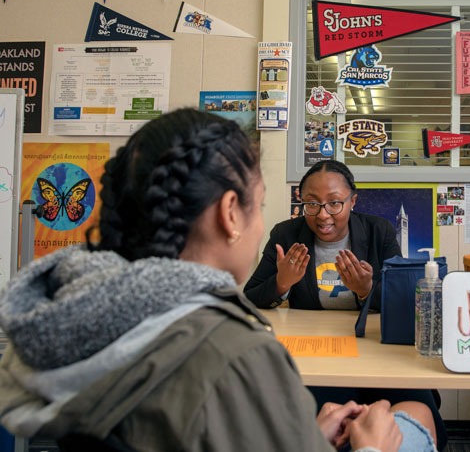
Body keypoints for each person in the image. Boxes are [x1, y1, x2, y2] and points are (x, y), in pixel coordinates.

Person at [0, 109, 437, 452]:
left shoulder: (61, 322)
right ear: (230, 213)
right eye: (260, 203)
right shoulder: (236, 356)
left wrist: (301, 437)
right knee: (414, 413)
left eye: (334, 204)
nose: (321, 215)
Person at [244, 160, 447, 451]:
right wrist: (281, 283)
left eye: (334, 203)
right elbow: (250, 298)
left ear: (353, 200)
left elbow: (402, 301)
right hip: (315, 349)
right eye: (311, 204)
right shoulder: (285, 235)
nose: (323, 215)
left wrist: (367, 290)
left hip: (377, 350)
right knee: (314, 408)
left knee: (420, 409)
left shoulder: (380, 232)